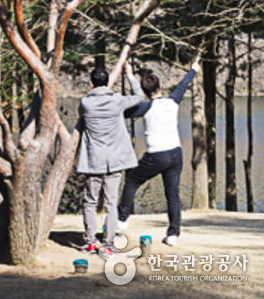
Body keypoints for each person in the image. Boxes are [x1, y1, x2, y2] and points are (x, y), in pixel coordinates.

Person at [117, 57, 201, 246]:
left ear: (145, 92)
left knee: (131, 180)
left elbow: (124, 112)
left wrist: (129, 76)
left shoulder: (146, 106)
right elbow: (183, 85)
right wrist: (193, 69)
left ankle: (122, 219)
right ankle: (173, 235)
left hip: (157, 155)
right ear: (160, 87)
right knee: (172, 195)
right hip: (175, 154)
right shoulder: (172, 101)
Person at [76, 61, 144, 257]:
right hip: (115, 161)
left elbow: (82, 117)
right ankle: (108, 244)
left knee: (90, 201)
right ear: (108, 83)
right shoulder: (117, 100)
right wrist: (130, 75)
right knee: (111, 204)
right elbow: (139, 96)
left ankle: (90, 242)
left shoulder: (86, 103)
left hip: (93, 160)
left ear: (91, 84)